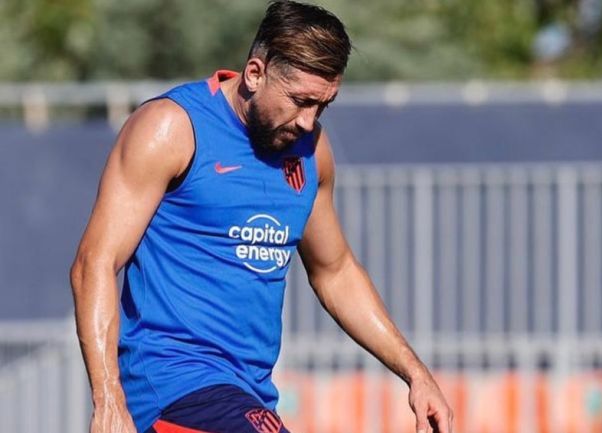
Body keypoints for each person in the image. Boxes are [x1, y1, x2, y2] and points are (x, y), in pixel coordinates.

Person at [69, 2, 453, 433]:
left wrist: (416, 373)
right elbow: (94, 264)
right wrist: (107, 400)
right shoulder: (172, 128)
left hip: (246, 395)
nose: (309, 122)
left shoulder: (311, 153)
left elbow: (336, 271)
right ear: (255, 73)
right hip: (170, 386)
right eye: (300, 101)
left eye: (323, 106)